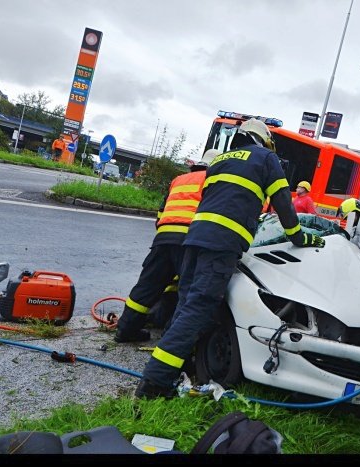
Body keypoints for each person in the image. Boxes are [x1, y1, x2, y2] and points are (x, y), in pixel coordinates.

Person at [134, 118, 325, 399]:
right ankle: (154, 383)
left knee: (185, 306)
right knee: (198, 309)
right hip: (221, 244)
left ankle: (177, 368)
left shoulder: (221, 160)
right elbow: (283, 203)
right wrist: (299, 237)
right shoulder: (265, 158)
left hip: (194, 239)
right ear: (264, 140)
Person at [113, 149, 221, 343]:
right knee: (188, 291)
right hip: (191, 238)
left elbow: (161, 212)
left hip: (163, 237)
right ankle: (170, 339)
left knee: (146, 287)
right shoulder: (214, 179)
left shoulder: (179, 179)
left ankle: (125, 330)